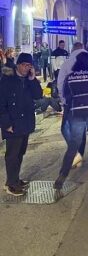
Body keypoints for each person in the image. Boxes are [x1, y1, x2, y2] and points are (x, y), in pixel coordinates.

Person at [54, 51, 88, 190]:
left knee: (73, 144)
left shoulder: (70, 77)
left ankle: (62, 175)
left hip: (76, 113)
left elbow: (66, 95)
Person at [0, 53, 43, 196]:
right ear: (18, 65)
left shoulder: (28, 80)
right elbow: (1, 104)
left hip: (25, 123)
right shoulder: (7, 80)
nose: (27, 68)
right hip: (13, 123)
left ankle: (16, 179)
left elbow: (38, 95)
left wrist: (32, 79)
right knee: (12, 155)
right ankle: (11, 184)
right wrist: (6, 124)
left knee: (20, 153)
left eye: (29, 66)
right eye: (25, 65)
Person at [57, 42, 88, 168]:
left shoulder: (66, 64)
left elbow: (60, 84)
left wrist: (63, 100)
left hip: (71, 102)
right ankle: (79, 155)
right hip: (86, 103)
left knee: (65, 128)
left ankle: (74, 151)